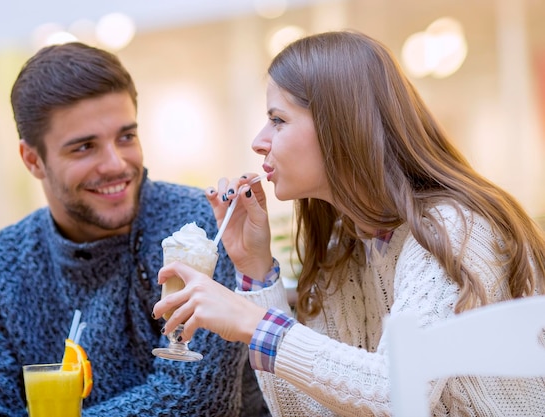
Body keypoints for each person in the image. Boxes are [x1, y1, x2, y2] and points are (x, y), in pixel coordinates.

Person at [153, 30, 545, 416]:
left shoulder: (452, 227)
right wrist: (255, 272)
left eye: (278, 119)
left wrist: (253, 322)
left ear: (339, 125)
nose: (259, 140)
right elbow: (302, 411)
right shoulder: (348, 246)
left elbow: (397, 391)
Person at [0, 42, 270, 417]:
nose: (116, 164)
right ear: (32, 159)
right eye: (85, 147)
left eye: (126, 137)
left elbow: (196, 403)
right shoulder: (0, 265)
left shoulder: (197, 229)